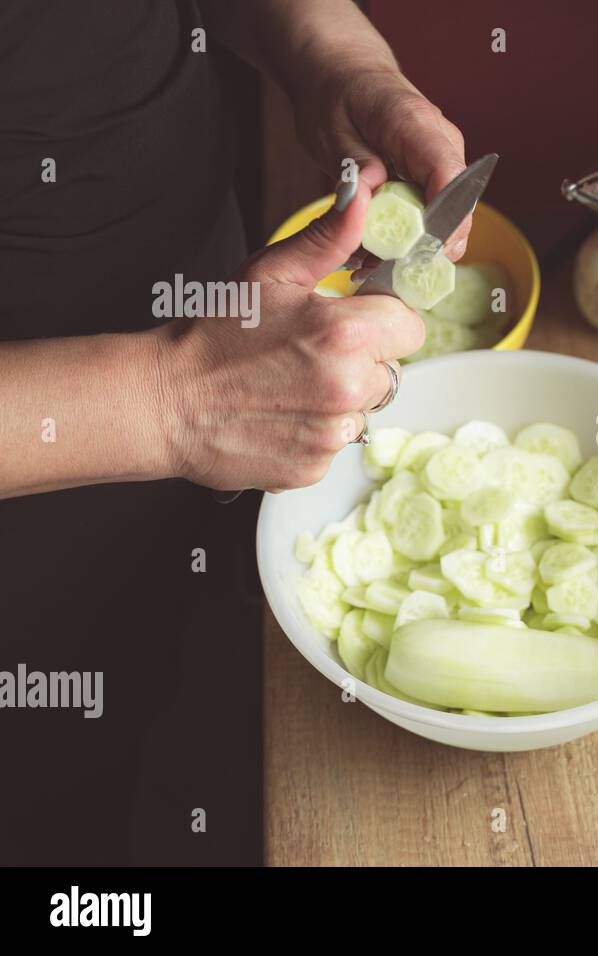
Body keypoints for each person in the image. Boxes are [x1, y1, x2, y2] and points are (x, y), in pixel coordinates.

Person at [0, 0, 469, 863]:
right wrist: (167, 399)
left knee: (170, 707)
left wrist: (331, 56)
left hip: (211, 340)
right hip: (28, 529)